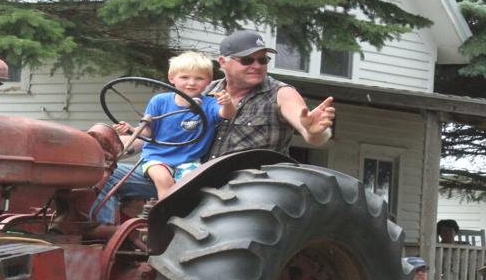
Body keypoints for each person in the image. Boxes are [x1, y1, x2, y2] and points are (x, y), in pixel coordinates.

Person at [114, 51, 236, 199]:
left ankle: (180, 217)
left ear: (208, 81)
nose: (191, 83)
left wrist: (228, 103)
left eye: (199, 78)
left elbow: (227, 114)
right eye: (184, 77)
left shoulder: (209, 104)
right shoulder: (160, 101)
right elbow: (147, 132)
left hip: (189, 160)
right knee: (163, 180)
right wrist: (131, 130)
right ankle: (164, 214)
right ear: (172, 78)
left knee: (191, 186)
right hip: (156, 157)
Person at [202, 31, 336, 157]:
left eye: (262, 60)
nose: (257, 66)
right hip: (201, 178)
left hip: (256, 179)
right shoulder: (204, 92)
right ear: (223, 62)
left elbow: (310, 133)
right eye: (247, 60)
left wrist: (315, 131)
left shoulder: (281, 93)